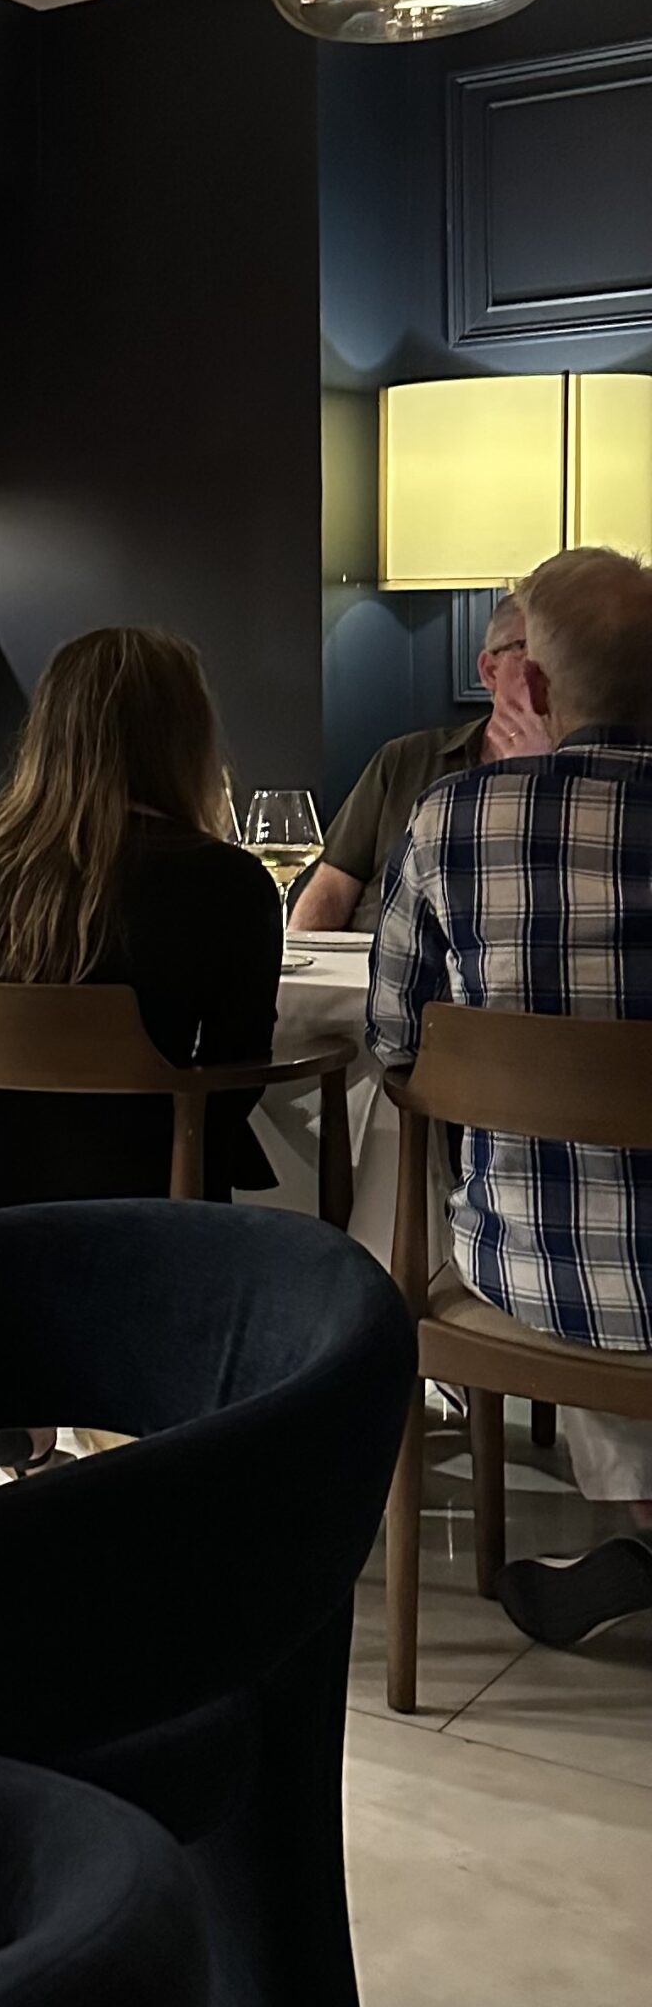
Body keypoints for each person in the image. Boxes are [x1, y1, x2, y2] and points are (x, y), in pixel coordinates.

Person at [368, 545, 652, 1645]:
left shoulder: (451, 820)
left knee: (587, 1211)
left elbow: (395, 1046)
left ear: (527, 682)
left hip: (534, 1270)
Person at [0, 625, 284, 1208]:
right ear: (185, 740)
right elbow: (238, 1075)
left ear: (47, 731)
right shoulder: (232, 884)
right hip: (158, 1209)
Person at [293, 594, 548, 931]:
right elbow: (332, 889)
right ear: (489, 671)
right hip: (362, 956)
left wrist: (539, 776)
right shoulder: (405, 759)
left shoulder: (588, 778)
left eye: (558, 653)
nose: (547, 668)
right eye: (529, 648)